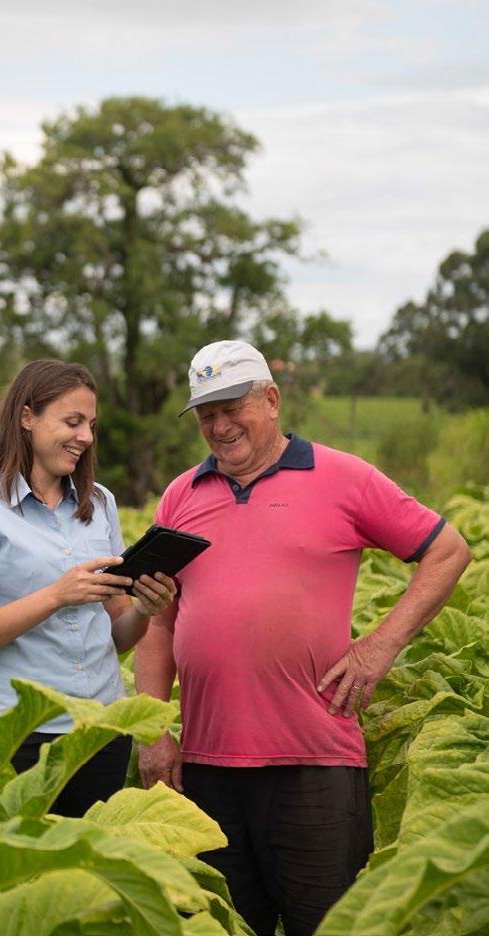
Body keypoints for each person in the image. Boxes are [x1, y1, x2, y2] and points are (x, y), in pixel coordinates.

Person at [134, 339, 471, 936]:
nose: (219, 426)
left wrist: (379, 647)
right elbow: (157, 623)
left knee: (327, 926)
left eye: (232, 407)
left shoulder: (343, 477)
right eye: (206, 414)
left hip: (315, 763)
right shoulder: (181, 495)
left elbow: (447, 551)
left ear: (271, 400)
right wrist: (154, 732)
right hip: (207, 768)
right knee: (225, 927)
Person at [0, 359, 176, 817]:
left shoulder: (99, 504)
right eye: (72, 421)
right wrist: (55, 596)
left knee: (90, 860)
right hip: (15, 735)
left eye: (91, 425)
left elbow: (117, 636)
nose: (85, 436)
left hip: (99, 733)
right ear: (27, 418)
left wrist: (145, 610)